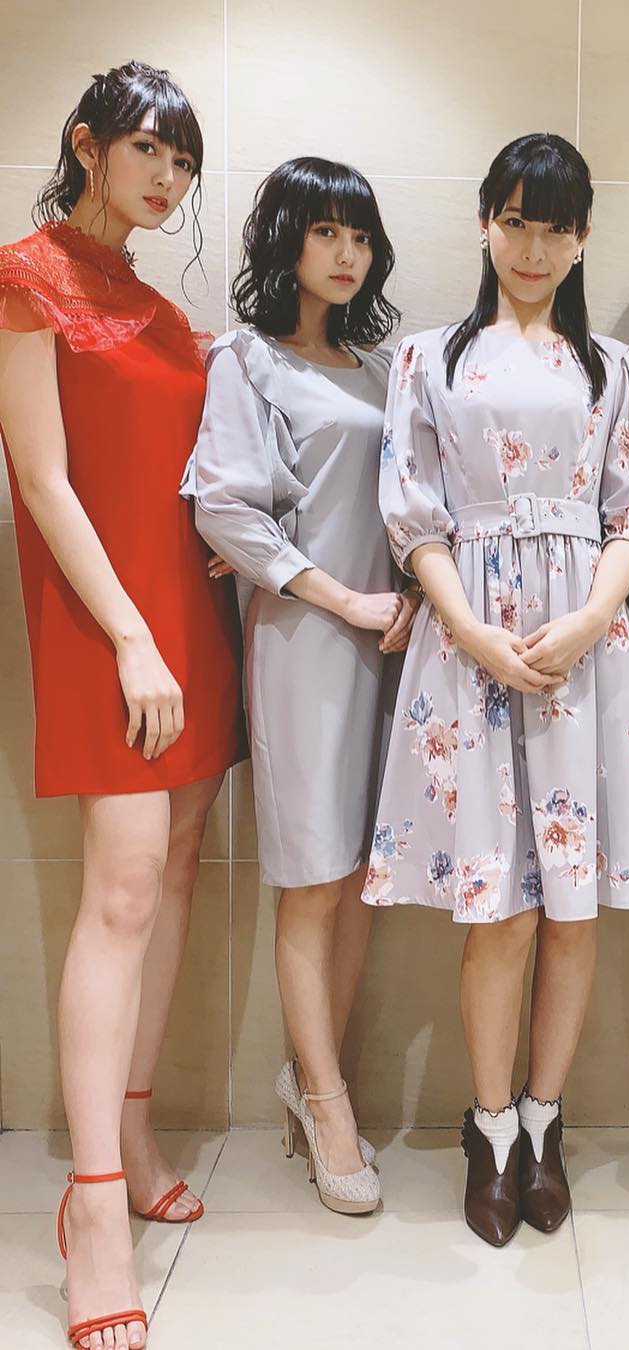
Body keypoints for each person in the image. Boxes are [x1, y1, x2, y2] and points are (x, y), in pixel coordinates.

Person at [363, 132, 629, 1246]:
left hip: (589, 652)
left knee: (574, 912)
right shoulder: (427, 360)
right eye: (515, 221)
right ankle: (490, 1130)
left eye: (556, 227)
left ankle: (547, 1122)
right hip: (472, 654)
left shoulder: (618, 368)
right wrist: (469, 631)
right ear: (485, 224)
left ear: (583, 237)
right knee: (498, 911)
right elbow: (413, 516)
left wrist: (589, 617)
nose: (534, 247)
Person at [0, 62, 245, 1349]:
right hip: (112, 630)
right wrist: (135, 637)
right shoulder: (23, 276)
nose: (169, 177)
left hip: (186, 614)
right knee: (122, 892)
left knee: (179, 868)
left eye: (184, 161)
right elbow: (43, 481)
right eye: (150, 149)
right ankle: (93, 1206)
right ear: (87, 144)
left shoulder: (159, 308)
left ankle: (136, 1131)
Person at [182, 156, 417, 1216]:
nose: (346, 253)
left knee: (361, 871)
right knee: (312, 876)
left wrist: (401, 598)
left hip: (392, 639)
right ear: (286, 241)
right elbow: (225, 510)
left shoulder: (380, 368)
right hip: (307, 642)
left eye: (359, 236)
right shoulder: (248, 361)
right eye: (325, 231)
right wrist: (345, 599)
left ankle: (317, 1077)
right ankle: (325, 1103)